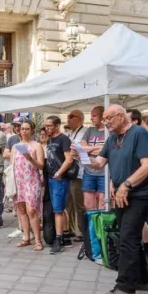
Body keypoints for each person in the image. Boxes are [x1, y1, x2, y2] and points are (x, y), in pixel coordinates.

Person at [81, 105, 148, 294]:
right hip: (121, 193)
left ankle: (125, 287)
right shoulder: (113, 138)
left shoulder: (138, 133)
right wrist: (82, 157)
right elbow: (99, 163)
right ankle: (143, 279)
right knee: (127, 236)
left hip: (139, 193)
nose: (105, 122)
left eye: (108, 118)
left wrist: (126, 185)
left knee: (127, 238)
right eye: (104, 119)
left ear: (121, 117)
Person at [43, 115, 74, 254]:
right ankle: (65, 235)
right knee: (59, 208)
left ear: (57, 126)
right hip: (51, 178)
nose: (47, 128)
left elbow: (69, 159)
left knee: (58, 210)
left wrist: (59, 173)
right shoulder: (50, 140)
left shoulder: (63, 139)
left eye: (49, 126)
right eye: (46, 126)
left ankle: (59, 239)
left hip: (59, 179)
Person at [13, 120, 45, 251]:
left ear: (32, 131)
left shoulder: (37, 146)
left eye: (27, 128)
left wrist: (30, 158)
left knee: (31, 210)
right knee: (21, 210)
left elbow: (41, 165)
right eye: (22, 129)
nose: (24, 131)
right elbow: (12, 166)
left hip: (32, 181)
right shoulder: (16, 146)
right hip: (19, 182)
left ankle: (38, 239)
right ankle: (26, 237)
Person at [65, 109, 87, 240]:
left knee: (79, 204)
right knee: (69, 204)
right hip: (70, 173)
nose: (68, 119)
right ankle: (71, 228)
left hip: (79, 173)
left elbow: (76, 151)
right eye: (68, 116)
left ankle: (82, 231)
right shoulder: (70, 133)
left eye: (71, 116)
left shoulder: (84, 132)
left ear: (80, 119)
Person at [81, 105, 107, 211]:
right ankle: (93, 227)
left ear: (102, 117)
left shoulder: (109, 131)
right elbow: (82, 148)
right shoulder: (89, 130)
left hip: (104, 173)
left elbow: (107, 151)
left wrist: (89, 149)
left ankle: (101, 227)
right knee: (88, 204)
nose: (91, 118)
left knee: (103, 204)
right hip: (89, 172)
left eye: (94, 116)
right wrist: (100, 147)